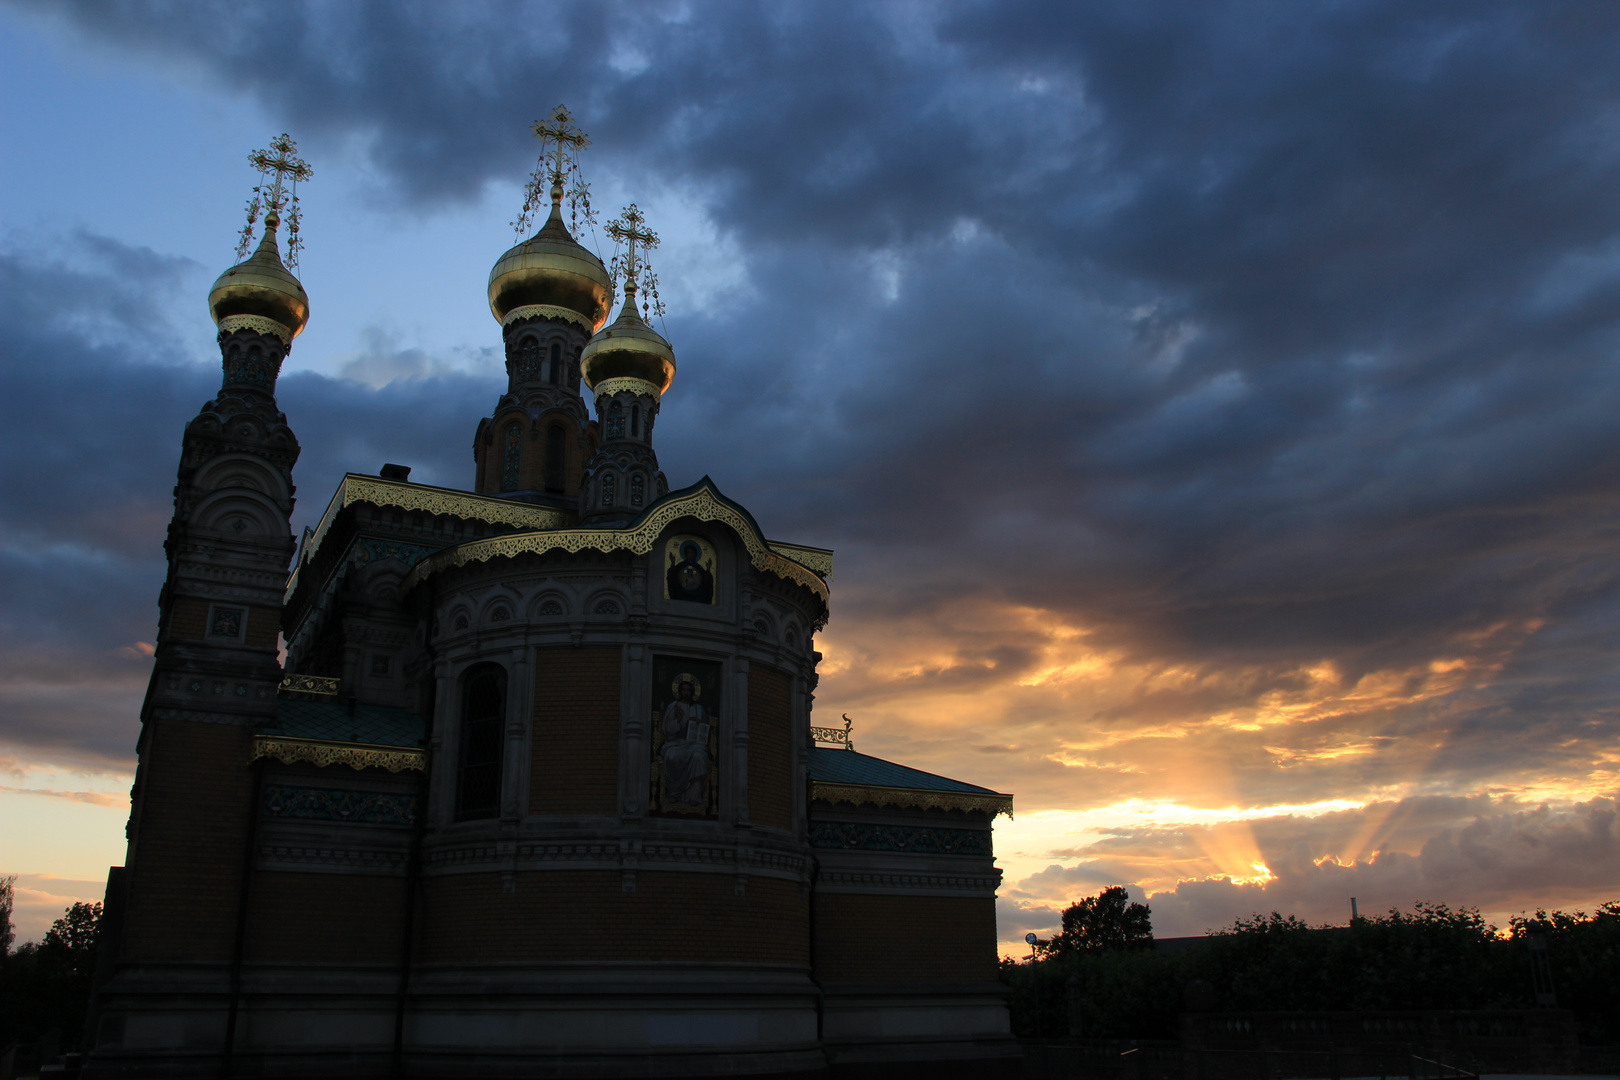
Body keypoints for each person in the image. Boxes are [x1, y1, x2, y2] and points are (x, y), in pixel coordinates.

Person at [660, 677, 709, 807]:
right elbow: (667, 730)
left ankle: (694, 795)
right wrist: (678, 720)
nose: (686, 692)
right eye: (683, 689)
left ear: (692, 692)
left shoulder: (699, 709)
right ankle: (674, 793)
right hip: (676, 743)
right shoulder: (673, 707)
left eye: (688, 690)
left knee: (698, 756)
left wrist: (698, 725)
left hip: (694, 743)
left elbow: (705, 730)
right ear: (679, 691)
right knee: (671, 756)